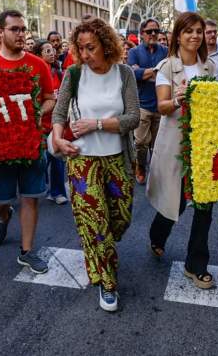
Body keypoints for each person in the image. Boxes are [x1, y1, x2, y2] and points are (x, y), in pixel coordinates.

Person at [51, 17, 139, 311]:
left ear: (106, 45)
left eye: (91, 47)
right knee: (96, 223)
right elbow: (59, 113)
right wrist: (57, 139)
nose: (86, 54)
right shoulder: (74, 75)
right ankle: (107, 282)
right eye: (81, 48)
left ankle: (98, 253)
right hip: (82, 160)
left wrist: (97, 124)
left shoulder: (124, 74)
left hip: (117, 159)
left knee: (121, 218)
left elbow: (133, 118)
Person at [0, 10, 55, 274]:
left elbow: (50, 97)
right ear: (0, 32)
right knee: (0, 200)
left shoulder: (38, 64)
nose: (21, 34)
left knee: (31, 198)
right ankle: (4, 216)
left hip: (32, 144)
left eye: (23, 29)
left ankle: (27, 251)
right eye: (15, 29)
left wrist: (37, 113)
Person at [146, 12, 216, 289]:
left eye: (199, 31)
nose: (195, 36)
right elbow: (161, 106)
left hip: (205, 144)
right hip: (175, 144)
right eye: (188, 31)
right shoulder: (166, 67)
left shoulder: (209, 67)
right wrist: (177, 98)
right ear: (178, 35)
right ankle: (157, 234)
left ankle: (196, 265)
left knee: (204, 205)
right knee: (174, 202)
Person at [127, 18, 168, 184]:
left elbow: (168, 73)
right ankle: (141, 168)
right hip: (142, 105)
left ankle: (157, 173)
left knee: (158, 145)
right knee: (141, 143)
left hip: (162, 105)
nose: (153, 34)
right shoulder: (134, 52)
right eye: (149, 31)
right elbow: (134, 74)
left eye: (156, 31)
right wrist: (157, 71)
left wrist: (144, 73)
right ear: (142, 33)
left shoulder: (165, 51)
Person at [34, 39, 68, 205]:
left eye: (52, 50)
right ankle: (39, 187)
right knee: (42, 160)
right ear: (38, 55)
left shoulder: (59, 73)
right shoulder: (33, 75)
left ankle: (58, 192)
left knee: (57, 158)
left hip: (56, 123)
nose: (52, 53)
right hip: (39, 124)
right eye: (47, 51)